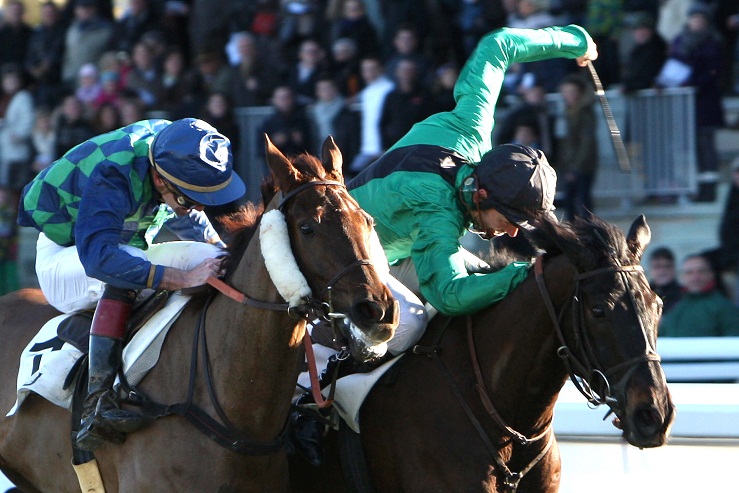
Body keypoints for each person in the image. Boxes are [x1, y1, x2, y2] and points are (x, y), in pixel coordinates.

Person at [291, 23, 598, 467]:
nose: (513, 233)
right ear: (483, 195)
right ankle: (313, 393)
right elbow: (449, 295)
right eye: (511, 221)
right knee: (413, 320)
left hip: (382, 245)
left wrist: (573, 39)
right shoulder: (435, 211)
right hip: (333, 261)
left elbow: (499, 46)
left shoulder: (471, 131)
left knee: (482, 273)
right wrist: (521, 274)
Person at [17, 117, 246, 451]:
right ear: (160, 178)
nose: (198, 207)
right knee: (128, 265)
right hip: (66, 257)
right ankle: (98, 402)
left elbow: (192, 218)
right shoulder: (114, 172)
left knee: (210, 258)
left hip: (120, 246)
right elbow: (100, 258)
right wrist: (181, 278)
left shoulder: (172, 152)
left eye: (204, 198)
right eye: (189, 198)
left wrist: (225, 256)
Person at [659, 253, 739, 336]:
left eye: (701, 271)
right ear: (682, 277)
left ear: (711, 275)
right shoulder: (673, 305)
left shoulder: (725, 308)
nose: (695, 277)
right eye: (689, 273)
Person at [556, 73, 599, 220]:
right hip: (568, 165)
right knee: (569, 203)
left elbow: (586, 143)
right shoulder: (566, 112)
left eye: (571, 92)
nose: (568, 95)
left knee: (582, 203)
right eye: (565, 92)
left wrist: (575, 167)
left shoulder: (585, 112)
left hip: (582, 166)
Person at [648, 246, 683, 314]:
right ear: (650, 269)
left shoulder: (684, 296)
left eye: (667, 266)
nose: (662, 271)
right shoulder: (643, 295)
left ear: (674, 268)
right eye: (657, 266)